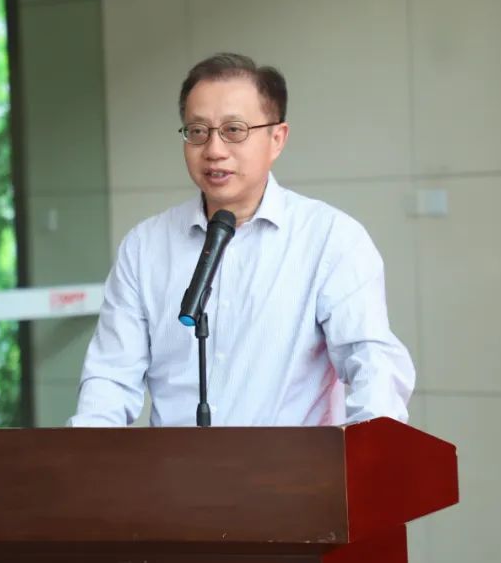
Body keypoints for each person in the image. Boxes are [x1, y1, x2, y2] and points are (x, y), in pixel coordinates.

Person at [67, 53, 415, 427]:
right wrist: (84, 454)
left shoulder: (330, 239)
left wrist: (374, 449)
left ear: (277, 138)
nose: (214, 150)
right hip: (173, 465)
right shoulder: (145, 246)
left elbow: (371, 360)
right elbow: (110, 378)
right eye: (197, 131)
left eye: (234, 130)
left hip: (292, 465)